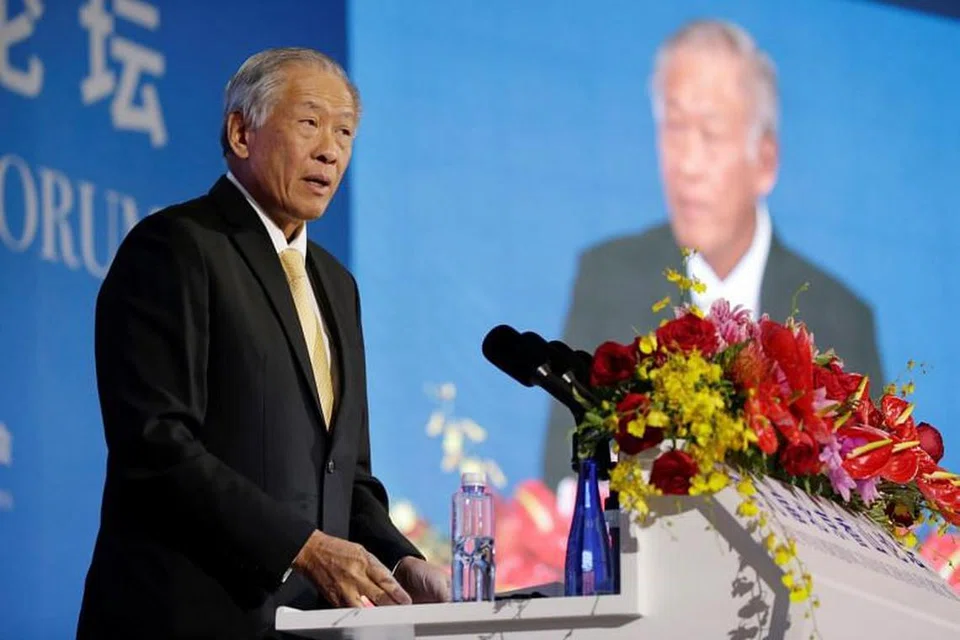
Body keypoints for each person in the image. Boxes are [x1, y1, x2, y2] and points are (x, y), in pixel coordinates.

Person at [77, 48, 449, 639]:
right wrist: (302, 547)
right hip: (186, 619)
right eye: (310, 122)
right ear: (240, 133)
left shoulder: (336, 284)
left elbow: (345, 475)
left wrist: (403, 563)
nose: (330, 150)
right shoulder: (176, 247)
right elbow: (156, 445)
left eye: (345, 132)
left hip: (306, 626)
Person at [541, 20, 884, 489]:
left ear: (765, 161)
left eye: (712, 132)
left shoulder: (842, 317)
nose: (687, 164)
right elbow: (563, 472)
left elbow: (869, 491)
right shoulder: (608, 276)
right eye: (675, 128)